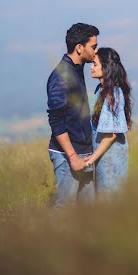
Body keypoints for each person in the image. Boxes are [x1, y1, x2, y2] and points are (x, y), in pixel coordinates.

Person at [47, 22, 99, 206]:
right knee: (64, 211)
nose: (95, 52)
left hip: (83, 153)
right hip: (68, 155)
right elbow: (56, 120)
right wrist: (72, 157)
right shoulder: (61, 77)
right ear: (79, 48)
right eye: (93, 47)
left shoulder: (76, 70)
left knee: (86, 213)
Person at [85, 47, 133, 196]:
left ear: (105, 67)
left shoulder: (114, 93)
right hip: (103, 156)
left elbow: (111, 134)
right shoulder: (101, 89)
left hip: (111, 158)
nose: (91, 67)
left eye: (95, 64)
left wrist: (91, 159)